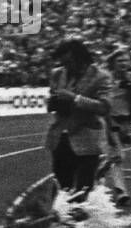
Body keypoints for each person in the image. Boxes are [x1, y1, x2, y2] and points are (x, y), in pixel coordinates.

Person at [44, 38, 111, 196]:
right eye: (62, 63)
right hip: (60, 136)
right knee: (61, 187)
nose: (65, 67)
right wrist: (53, 102)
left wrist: (74, 98)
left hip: (89, 137)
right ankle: (59, 217)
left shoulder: (101, 76)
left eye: (68, 62)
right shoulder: (58, 74)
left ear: (81, 59)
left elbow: (105, 107)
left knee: (84, 189)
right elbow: (53, 100)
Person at [100, 47, 131, 206]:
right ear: (113, 63)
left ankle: (99, 170)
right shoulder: (106, 79)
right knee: (119, 156)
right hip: (110, 121)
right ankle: (121, 191)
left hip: (130, 121)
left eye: (126, 60)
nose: (123, 63)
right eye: (119, 61)